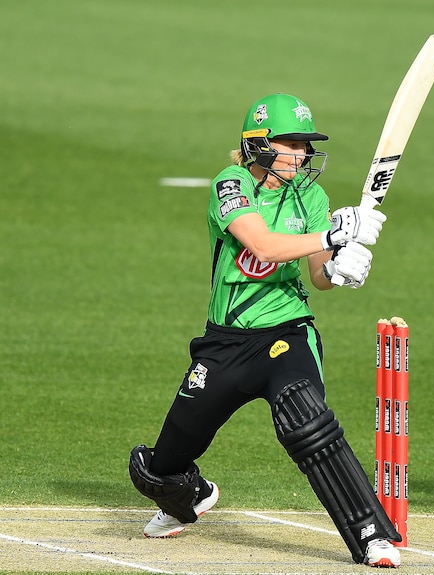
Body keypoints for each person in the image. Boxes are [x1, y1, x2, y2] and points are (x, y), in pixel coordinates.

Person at [128, 93, 402, 568]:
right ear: (258, 145)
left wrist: (341, 267)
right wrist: (330, 237)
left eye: (305, 145)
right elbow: (264, 244)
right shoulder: (230, 185)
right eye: (290, 144)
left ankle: (371, 535)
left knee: (304, 417)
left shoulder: (312, 197)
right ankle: (185, 498)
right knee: (157, 469)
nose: (301, 154)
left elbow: (317, 276)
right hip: (224, 344)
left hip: (286, 335)